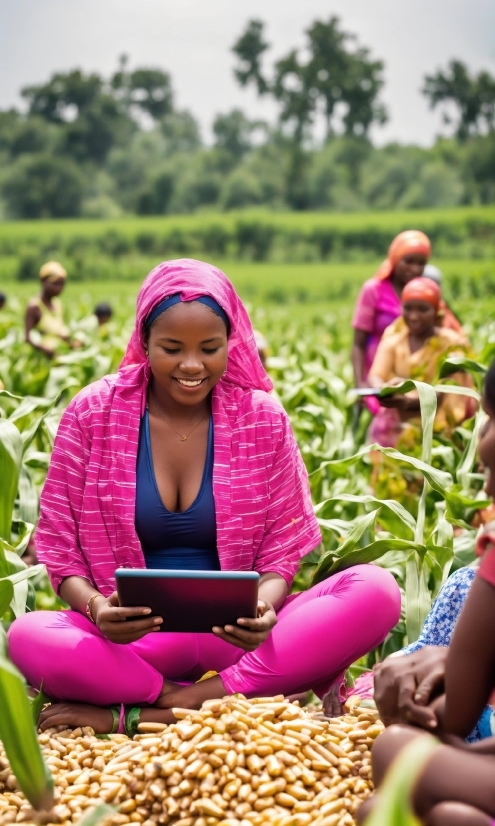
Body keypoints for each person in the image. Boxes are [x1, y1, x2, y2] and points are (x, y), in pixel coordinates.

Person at [8, 259, 401, 737]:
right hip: (131, 648)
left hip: (239, 643)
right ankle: (214, 698)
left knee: (376, 590)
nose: (192, 366)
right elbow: (60, 549)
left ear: (230, 345)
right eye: (171, 348)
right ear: (144, 343)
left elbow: (281, 552)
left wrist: (264, 607)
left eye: (210, 349)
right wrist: (96, 610)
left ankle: (157, 710)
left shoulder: (262, 419)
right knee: (27, 638)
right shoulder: (92, 412)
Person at [358, 359, 495, 826]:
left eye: (491, 420)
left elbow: (453, 713)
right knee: (445, 812)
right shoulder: (466, 586)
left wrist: (448, 672)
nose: (483, 439)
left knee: (396, 754)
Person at [367, 277, 471, 447]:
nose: (414, 316)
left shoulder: (451, 343)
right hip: (395, 429)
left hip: (437, 430)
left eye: (423, 309)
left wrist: (410, 401)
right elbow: (376, 375)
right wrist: (383, 390)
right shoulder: (394, 339)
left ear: (436, 310)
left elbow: (446, 389)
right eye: (408, 308)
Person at [352, 230, 431, 392]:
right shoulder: (374, 290)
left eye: (421, 263)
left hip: (417, 379)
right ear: (395, 259)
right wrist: (360, 383)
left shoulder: (426, 293)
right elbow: (358, 344)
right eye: (408, 261)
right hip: (377, 377)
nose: (415, 269)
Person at [25, 261, 70, 357]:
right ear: (43, 281)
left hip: (58, 358)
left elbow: (59, 330)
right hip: (40, 361)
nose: (58, 288)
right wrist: (43, 348)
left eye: (61, 284)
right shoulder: (34, 306)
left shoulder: (58, 305)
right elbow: (28, 338)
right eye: (55, 284)